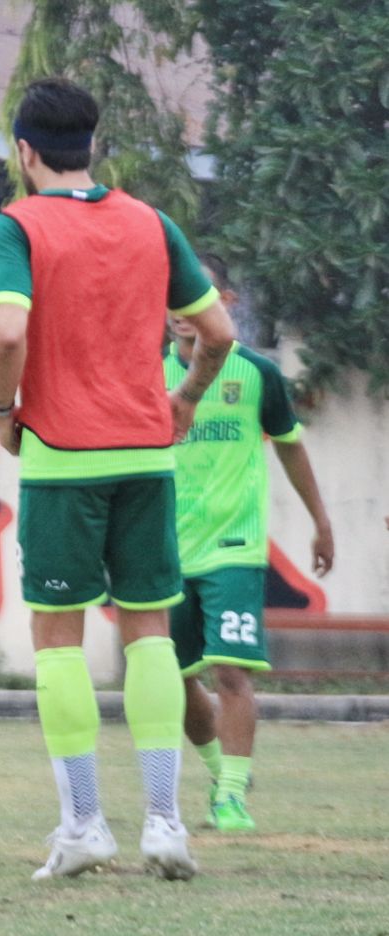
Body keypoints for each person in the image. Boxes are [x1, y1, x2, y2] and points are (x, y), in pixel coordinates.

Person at [0, 78, 237, 881]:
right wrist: (184, 397)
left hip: (63, 456)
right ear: (91, 146)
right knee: (149, 630)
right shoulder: (152, 224)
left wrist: (1, 409)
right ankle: (166, 822)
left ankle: (86, 823)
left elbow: (9, 330)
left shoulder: (15, 225)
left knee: (58, 638)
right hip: (146, 454)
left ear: (25, 151)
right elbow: (218, 330)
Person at [166, 255, 334, 833]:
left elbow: (289, 445)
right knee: (175, 678)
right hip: (165, 551)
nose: (184, 311)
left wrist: (321, 520)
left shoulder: (256, 373)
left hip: (233, 547)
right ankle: (221, 771)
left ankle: (232, 798)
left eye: (198, 298)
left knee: (232, 673)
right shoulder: (142, 375)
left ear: (225, 305)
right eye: (177, 299)